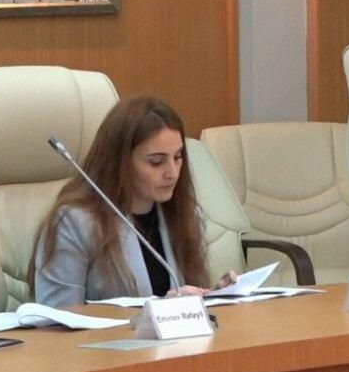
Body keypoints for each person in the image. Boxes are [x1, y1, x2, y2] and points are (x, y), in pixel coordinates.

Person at [32, 95, 235, 306]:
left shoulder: (183, 214)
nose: (173, 173)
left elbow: (181, 294)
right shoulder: (74, 223)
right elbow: (58, 318)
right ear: (120, 162)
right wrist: (161, 310)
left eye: (177, 157)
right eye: (156, 162)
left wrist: (213, 298)